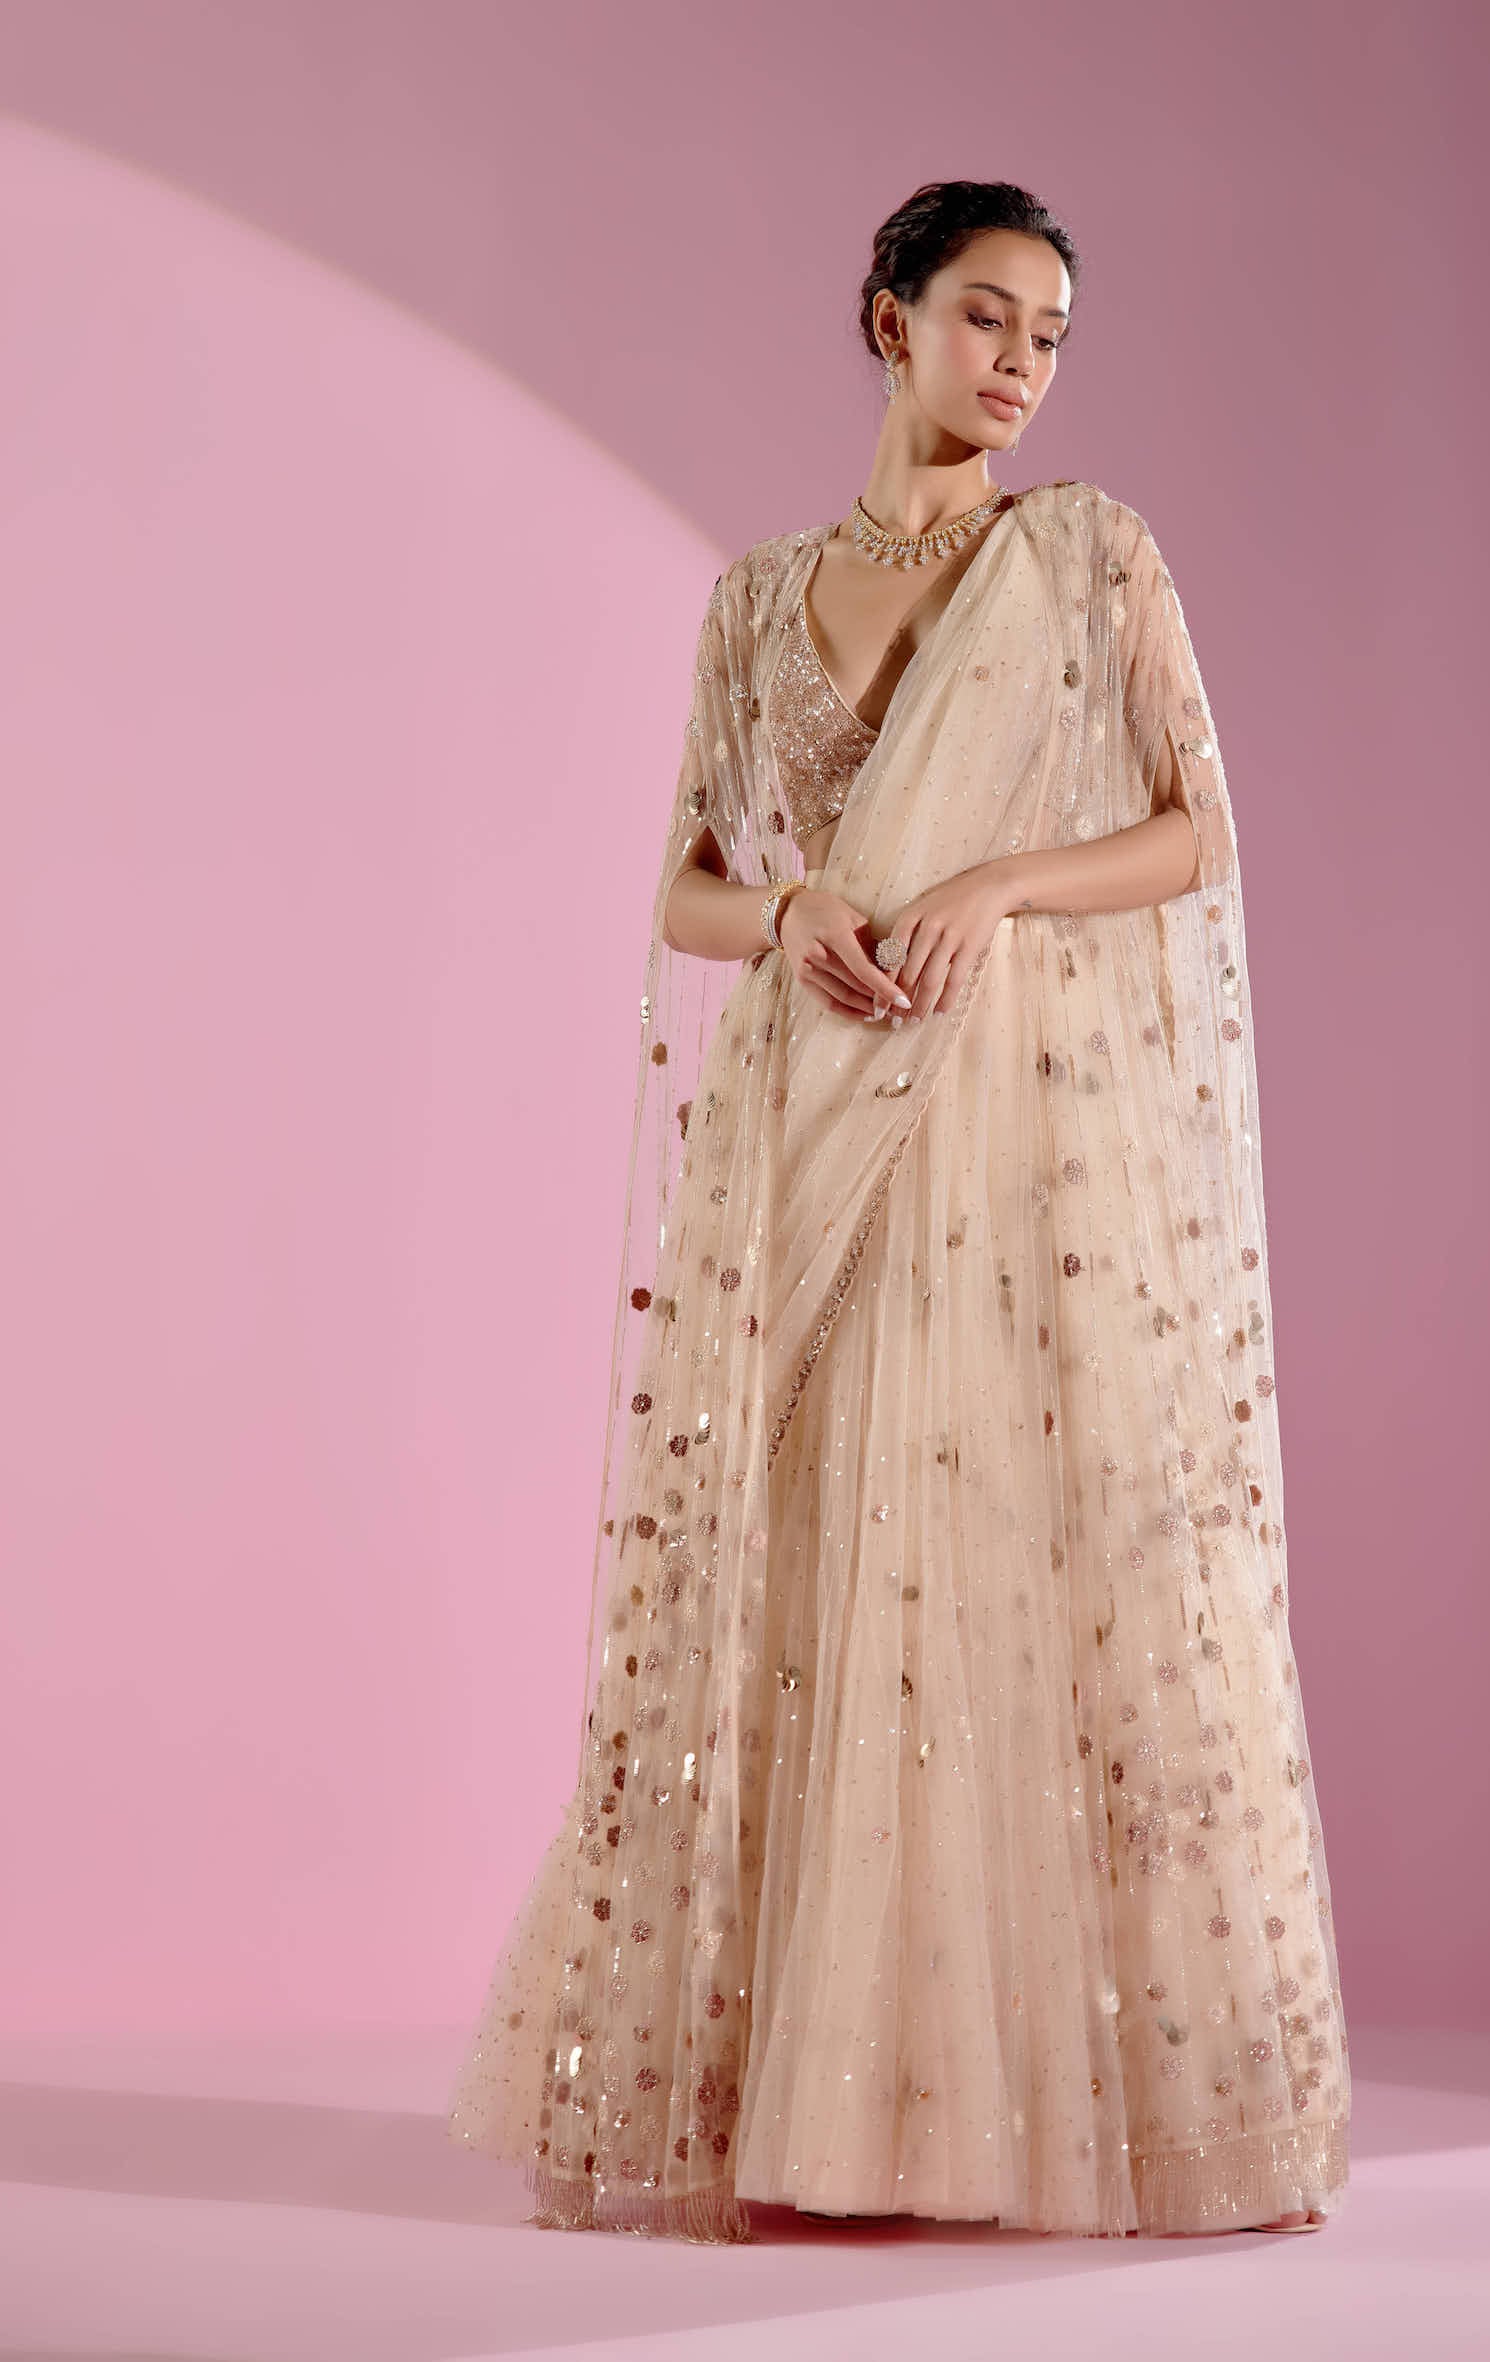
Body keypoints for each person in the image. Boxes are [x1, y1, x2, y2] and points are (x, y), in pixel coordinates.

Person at [445, 179, 1349, 2245]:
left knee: (1003, 1568)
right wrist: (794, 909)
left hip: (1010, 1134)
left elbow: (1196, 833)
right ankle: (800, 2116)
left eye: (1051, 335)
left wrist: (993, 883)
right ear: (889, 317)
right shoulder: (756, 601)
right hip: (809, 1116)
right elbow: (684, 888)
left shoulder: (1089, 555)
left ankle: (1015, 2111)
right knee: (803, 1570)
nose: (1022, 363)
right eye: (986, 316)